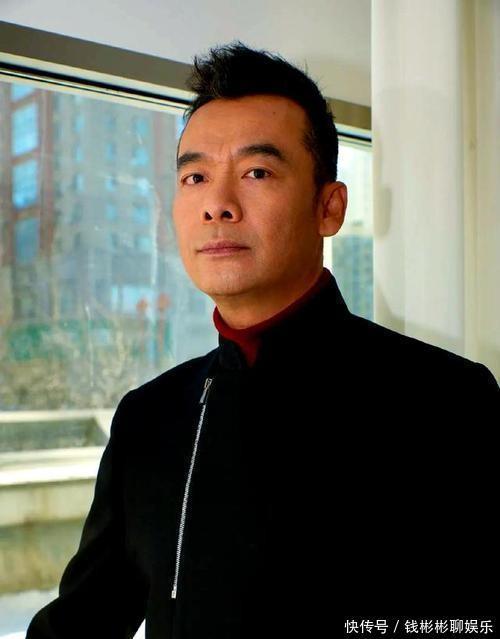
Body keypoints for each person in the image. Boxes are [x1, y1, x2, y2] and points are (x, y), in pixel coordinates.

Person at [27, 41, 499, 639]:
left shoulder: (446, 399)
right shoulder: (149, 417)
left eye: (256, 172)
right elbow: (79, 624)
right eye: (196, 176)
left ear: (329, 207)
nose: (217, 206)